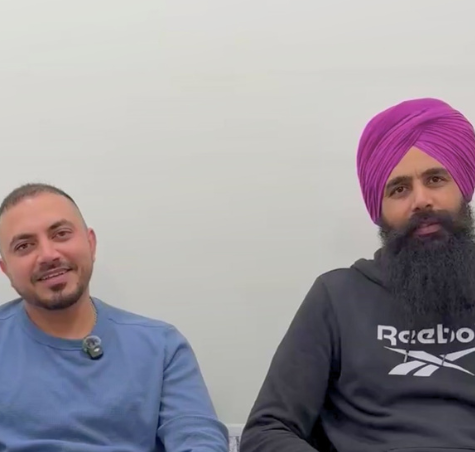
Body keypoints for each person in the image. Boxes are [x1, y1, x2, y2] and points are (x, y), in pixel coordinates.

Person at [240, 98, 475, 452]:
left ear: (463, 188)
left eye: (435, 179)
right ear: (379, 209)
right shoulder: (337, 296)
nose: (421, 200)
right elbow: (266, 431)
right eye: (399, 189)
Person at [0, 183, 229, 451]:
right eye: (25, 246)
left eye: (61, 234)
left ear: (91, 243)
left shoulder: (162, 347)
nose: (48, 255)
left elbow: (199, 440)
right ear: (5, 269)